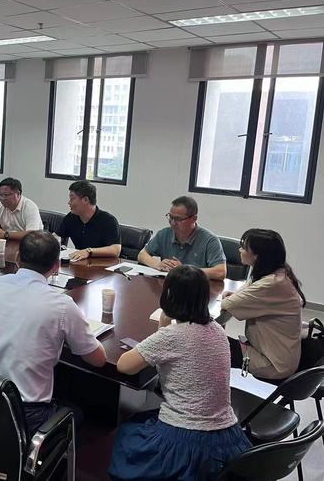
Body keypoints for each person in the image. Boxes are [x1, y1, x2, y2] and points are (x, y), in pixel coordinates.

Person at [108, 266, 250, 481]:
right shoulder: (218, 330)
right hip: (227, 438)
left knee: (128, 436)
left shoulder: (172, 335)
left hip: (184, 442)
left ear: (169, 296)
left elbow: (124, 366)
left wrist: (163, 327)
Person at [0, 231, 106, 434]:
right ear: (57, 266)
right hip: (26, 414)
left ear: (17, 257)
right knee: (78, 414)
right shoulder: (62, 305)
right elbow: (98, 360)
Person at [219, 229, 305, 380]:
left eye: (244, 248)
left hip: (272, 363)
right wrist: (239, 297)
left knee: (208, 344)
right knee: (213, 341)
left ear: (257, 256)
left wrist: (236, 297)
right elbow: (243, 295)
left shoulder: (272, 284)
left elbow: (228, 303)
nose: (240, 250)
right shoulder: (277, 273)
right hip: (276, 353)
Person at [137, 195, 226, 280]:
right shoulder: (164, 234)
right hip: (169, 284)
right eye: (170, 217)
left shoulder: (210, 240)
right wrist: (158, 264)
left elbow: (221, 272)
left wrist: (185, 270)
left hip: (196, 287)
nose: (172, 223)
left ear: (194, 218)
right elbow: (142, 255)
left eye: (178, 219)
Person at [56, 180, 121, 262]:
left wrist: (88, 251)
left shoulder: (108, 221)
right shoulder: (71, 217)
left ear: (85, 200)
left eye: (72, 199)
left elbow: (116, 250)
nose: (69, 203)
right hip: (81, 263)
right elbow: (57, 236)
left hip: (104, 265)